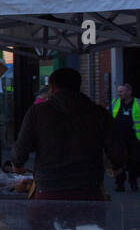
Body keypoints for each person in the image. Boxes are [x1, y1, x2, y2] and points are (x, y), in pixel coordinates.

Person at [12, 68, 122, 201]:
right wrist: (116, 165)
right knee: (90, 222)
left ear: (52, 88)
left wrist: (17, 164)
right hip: (88, 188)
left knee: (44, 221)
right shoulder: (98, 113)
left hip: (49, 187)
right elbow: (116, 148)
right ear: (79, 86)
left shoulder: (38, 112)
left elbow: (23, 145)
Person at [110, 84, 140, 192]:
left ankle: (133, 181)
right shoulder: (115, 103)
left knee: (135, 161)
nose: (119, 94)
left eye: (121, 92)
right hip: (118, 138)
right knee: (118, 162)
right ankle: (119, 183)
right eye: (118, 92)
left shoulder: (138, 103)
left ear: (129, 92)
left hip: (135, 138)